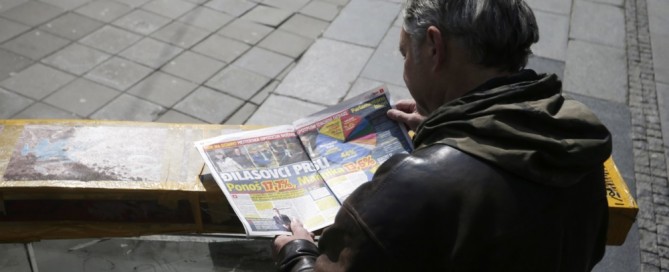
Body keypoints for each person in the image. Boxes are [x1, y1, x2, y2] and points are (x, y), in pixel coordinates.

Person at [272, 0, 612, 271]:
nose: (404, 68)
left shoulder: (415, 183)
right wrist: (446, 126)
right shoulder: (574, 145)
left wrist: (298, 254)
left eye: (406, 52)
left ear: (434, 47)